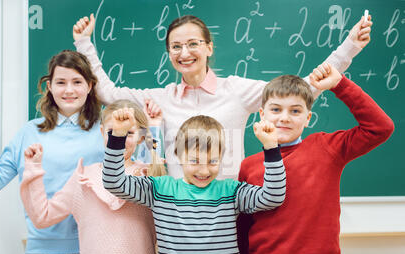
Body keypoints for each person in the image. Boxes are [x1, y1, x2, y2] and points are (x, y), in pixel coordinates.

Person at [72, 13, 372, 181]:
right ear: (168, 54)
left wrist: (349, 48)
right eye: (176, 47)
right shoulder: (161, 98)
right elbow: (107, 93)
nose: (184, 53)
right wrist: (84, 42)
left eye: (193, 44)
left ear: (209, 47)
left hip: (231, 208)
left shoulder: (237, 90)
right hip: (178, 211)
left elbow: (303, 88)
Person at [0, 50, 160, 254]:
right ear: (49, 86)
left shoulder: (107, 132)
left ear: (90, 86)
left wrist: (155, 128)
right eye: (61, 82)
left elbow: (145, 171)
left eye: (77, 82)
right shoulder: (30, 132)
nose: (69, 90)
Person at [237, 62, 394, 254]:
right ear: (262, 115)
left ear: (308, 118)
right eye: (276, 109)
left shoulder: (327, 148)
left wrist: (340, 85)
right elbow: (244, 227)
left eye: (295, 111)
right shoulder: (249, 165)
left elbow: (381, 128)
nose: (284, 118)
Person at [102, 109, 286, 254]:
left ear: (222, 157)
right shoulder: (160, 189)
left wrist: (271, 147)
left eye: (213, 161)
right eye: (195, 161)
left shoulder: (231, 191)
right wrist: (118, 136)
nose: (204, 170)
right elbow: (114, 182)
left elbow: (273, 196)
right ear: (179, 156)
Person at [20, 100, 165, 254]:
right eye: (114, 133)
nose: (120, 139)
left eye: (128, 133)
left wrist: (155, 128)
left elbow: (159, 169)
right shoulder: (82, 178)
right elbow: (42, 217)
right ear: (102, 131)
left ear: (141, 137)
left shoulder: (149, 175)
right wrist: (33, 171)